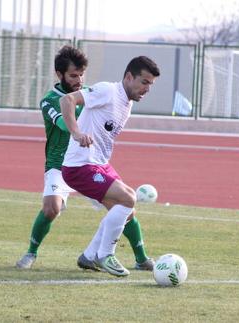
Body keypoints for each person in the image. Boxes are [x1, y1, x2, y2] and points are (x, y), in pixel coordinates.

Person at [16, 46, 154, 272]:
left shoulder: (100, 95)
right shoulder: (50, 100)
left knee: (124, 209)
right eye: (73, 75)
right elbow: (63, 120)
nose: (79, 80)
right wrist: (78, 131)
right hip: (61, 163)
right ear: (59, 75)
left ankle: (137, 258)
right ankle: (32, 252)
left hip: (91, 163)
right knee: (52, 208)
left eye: (81, 75)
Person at [60, 56, 160, 277]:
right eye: (144, 82)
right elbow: (67, 100)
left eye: (150, 85)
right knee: (127, 198)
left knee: (126, 210)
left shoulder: (127, 104)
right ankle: (106, 255)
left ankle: (89, 256)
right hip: (80, 166)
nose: (147, 89)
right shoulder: (108, 91)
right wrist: (76, 133)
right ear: (128, 77)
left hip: (99, 165)